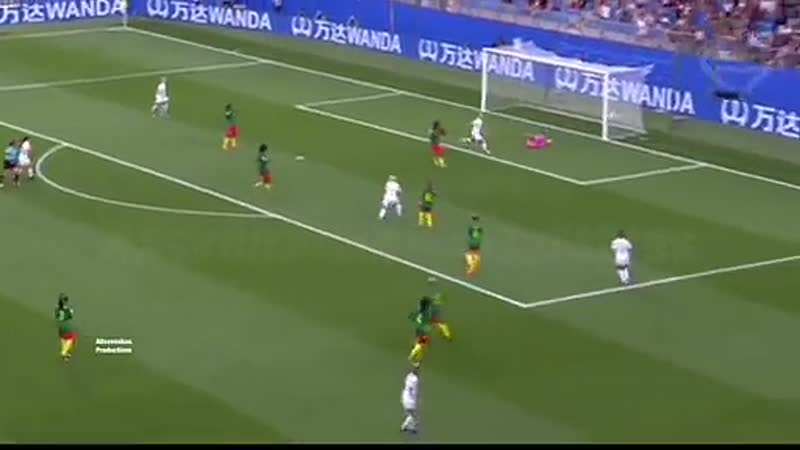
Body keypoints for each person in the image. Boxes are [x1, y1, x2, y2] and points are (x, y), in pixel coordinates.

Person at [400, 366, 420, 434]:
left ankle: (413, 427)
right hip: (410, 401)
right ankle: (404, 426)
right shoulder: (416, 380)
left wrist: (416, 367)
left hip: (404, 397)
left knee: (410, 414)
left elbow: (412, 373)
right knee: (412, 415)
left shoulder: (408, 377)